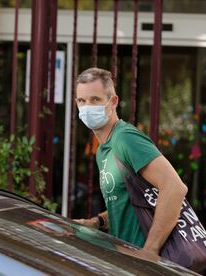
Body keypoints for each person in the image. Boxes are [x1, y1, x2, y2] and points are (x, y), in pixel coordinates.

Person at [74, 67, 188, 261]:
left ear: (113, 101)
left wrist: (149, 251)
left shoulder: (125, 138)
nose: (87, 107)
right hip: (126, 260)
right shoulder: (103, 150)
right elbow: (129, 201)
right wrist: (99, 222)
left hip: (145, 264)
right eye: (82, 101)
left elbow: (174, 187)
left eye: (95, 100)